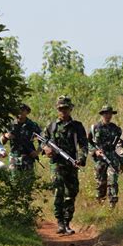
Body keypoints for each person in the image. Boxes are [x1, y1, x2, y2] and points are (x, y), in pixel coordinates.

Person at [42, 96, 88, 235]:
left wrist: (81, 158)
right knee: (58, 192)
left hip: (71, 163)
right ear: (57, 109)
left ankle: (67, 222)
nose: (63, 111)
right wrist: (46, 149)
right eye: (61, 109)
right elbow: (43, 142)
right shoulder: (51, 126)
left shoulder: (77, 126)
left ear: (70, 109)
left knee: (71, 193)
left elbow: (84, 145)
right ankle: (60, 222)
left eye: (66, 108)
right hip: (57, 164)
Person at [87, 105, 123, 208]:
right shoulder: (95, 128)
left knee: (113, 181)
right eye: (105, 113)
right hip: (100, 160)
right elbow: (88, 143)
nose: (107, 115)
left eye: (109, 113)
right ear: (102, 114)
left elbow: (121, 146)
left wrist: (122, 161)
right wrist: (95, 151)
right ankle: (100, 205)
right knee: (101, 184)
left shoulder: (116, 129)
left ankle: (112, 205)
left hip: (113, 159)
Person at [1, 103, 42, 181]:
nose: (20, 112)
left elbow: (43, 140)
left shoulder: (32, 125)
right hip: (14, 158)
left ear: (27, 112)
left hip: (28, 157)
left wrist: (37, 152)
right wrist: (5, 136)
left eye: (22, 110)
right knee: (14, 181)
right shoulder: (10, 124)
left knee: (28, 182)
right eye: (18, 110)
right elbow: (2, 142)